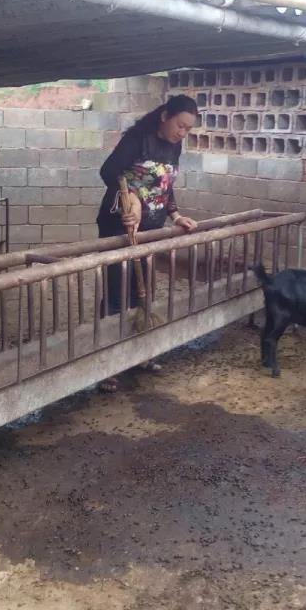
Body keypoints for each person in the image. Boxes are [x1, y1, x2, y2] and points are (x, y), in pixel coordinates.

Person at [96, 93, 199, 389]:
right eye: (180, 125)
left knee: (142, 291)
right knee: (118, 292)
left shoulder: (174, 145)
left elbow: (166, 183)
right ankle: (106, 363)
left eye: (188, 129)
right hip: (121, 226)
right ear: (165, 116)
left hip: (150, 228)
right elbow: (108, 172)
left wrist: (176, 215)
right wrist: (131, 196)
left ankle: (139, 354)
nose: (182, 133)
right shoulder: (137, 139)